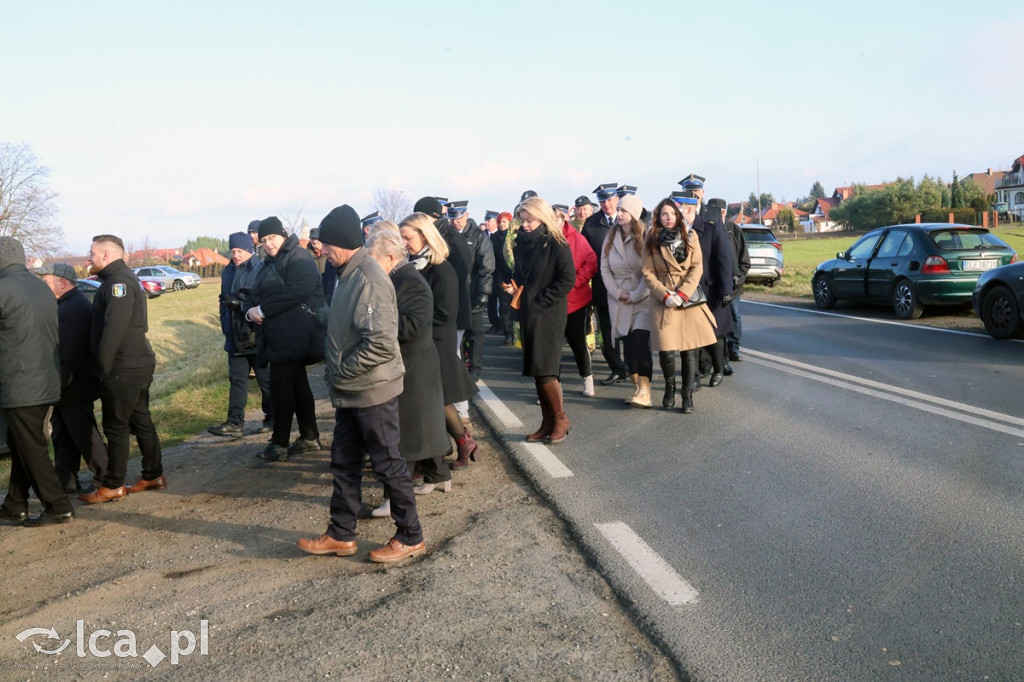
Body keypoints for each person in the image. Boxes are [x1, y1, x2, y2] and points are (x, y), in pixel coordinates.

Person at [296, 204, 425, 564]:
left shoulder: (368, 277)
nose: (320, 250)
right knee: (344, 460)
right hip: (353, 390)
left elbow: (381, 343)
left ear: (342, 242)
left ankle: (411, 535)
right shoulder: (347, 274)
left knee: (388, 464)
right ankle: (341, 533)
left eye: (325, 243)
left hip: (371, 390)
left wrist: (341, 371)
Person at [79, 234, 165, 504]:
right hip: (133, 363)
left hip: (123, 366)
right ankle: (153, 475)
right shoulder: (121, 280)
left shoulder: (118, 284)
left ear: (106, 255)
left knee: (116, 425)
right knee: (140, 419)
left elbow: (113, 331)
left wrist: (102, 369)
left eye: (92, 253)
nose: (88, 258)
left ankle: (113, 484)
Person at [366, 228, 451, 501]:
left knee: (410, 428)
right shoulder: (397, 277)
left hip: (415, 362)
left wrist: (377, 322)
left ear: (390, 257)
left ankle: (396, 498)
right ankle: (439, 475)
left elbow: (414, 325)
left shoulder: (409, 281)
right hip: (409, 361)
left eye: (373, 258)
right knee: (424, 424)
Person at [0, 237, 75, 526]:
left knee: (31, 447)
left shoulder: (3, 288)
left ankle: (58, 506)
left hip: (19, 382)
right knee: (21, 443)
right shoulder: (40, 288)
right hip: (44, 379)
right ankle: (15, 504)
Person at [399, 213, 481, 469]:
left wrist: (415, 321)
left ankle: (445, 451)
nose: (404, 243)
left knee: (436, 398)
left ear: (424, 235)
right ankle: (460, 443)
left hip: (437, 341)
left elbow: (446, 311)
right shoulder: (413, 266)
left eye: (407, 237)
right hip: (423, 341)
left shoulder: (442, 269)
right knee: (437, 399)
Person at [245, 217, 326, 462]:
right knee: (297, 384)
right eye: (264, 239)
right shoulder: (268, 263)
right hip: (280, 335)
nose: (268, 244)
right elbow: (255, 292)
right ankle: (310, 437)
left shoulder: (299, 258)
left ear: (283, 235)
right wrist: (249, 310)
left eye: (272, 238)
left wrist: (263, 310)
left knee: (281, 388)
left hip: (298, 333)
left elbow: (297, 290)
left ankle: (279, 444)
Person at [501, 197, 575, 444]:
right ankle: (548, 422)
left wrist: (540, 300)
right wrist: (517, 291)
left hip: (549, 312)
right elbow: (522, 276)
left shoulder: (557, 244)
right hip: (529, 311)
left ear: (542, 218)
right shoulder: (522, 243)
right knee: (537, 370)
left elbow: (566, 279)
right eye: (523, 220)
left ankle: (560, 420)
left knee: (546, 370)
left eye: (530, 219)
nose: (526, 225)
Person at [37, 263, 108, 493]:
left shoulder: (74, 308)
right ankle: (66, 480)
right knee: (63, 433)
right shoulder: (66, 305)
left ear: (63, 282)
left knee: (83, 433)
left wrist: (58, 386)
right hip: (67, 385)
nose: (43, 286)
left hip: (74, 384)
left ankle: (105, 477)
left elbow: (69, 353)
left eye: (46, 282)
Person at [642, 199, 717, 413]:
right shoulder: (652, 239)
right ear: (658, 217)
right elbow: (647, 272)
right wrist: (665, 295)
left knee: (688, 350)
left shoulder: (690, 236)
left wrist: (683, 293)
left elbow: (696, 267)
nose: (669, 218)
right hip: (663, 299)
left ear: (678, 215)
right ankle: (669, 388)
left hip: (687, 298)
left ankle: (687, 395)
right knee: (666, 350)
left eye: (672, 214)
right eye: (664, 214)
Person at [208, 231, 274, 438]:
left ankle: (274, 417)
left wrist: (242, 305)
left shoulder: (260, 268)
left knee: (265, 379)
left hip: (256, 333)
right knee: (237, 379)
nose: (236, 255)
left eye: (240, 251)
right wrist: (224, 321)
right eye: (233, 250)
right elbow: (223, 298)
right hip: (235, 335)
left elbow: (265, 298)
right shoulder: (228, 271)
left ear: (249, 250)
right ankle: (235, 422)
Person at [600, 194, 652, 407]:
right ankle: (636, 382)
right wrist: (617, 292)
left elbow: (650, 269)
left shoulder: (646, 235)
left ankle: (645, 389)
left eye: (624, 211)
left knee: (640, 340)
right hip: (619, 297)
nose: (619, 214)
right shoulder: (611, 237)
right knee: (628, 344)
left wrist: (637, 294)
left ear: (634, 214)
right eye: (618, 210)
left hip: (642, 296)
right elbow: (604, 268)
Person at [683, 191, 734, 387]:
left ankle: (719, 368)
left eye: (687, 211)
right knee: (692, 336)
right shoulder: (676, 232)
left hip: (711, 290)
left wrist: (726, 290)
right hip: (687, 292)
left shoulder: (711, 228)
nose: (684, 216)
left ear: (693, 210)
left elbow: (723, 261)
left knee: (715, 333)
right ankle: (694, 376)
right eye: (681, 211)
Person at [582, 183, 629, 385]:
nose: (606, 204)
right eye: (602, 201)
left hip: (628, 284)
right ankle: (617, 368)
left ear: (617, 199)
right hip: (602, 285)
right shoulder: (591, 223)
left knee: (630, 328)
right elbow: (585, 254)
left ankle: (634, 367)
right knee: (608, 330)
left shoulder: (628, 219)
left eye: (610, 200)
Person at [555, 206, 598, 397]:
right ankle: (554, 388)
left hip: (575, 301)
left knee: (578, 343)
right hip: (552, 302)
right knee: (553, 348)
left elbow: (591, 262)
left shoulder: (576, 238)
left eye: (557, 219)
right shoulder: (544, 240)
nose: (554, 223)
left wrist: (575, 282)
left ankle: (587, 378)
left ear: (563, 219)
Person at [450, 200, 495, 378]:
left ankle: (475, 368)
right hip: (454, 293)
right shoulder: (446, 236)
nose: (455, 222)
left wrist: (484, 293)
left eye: (459, 218)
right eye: (452, 218)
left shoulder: (478, 237)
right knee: (456, 333)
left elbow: (486, 267)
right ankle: (459, 368)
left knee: (475, 333)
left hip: (473, 291)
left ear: (466, 215)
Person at [708, 198, 751, 365]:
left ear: (723, 212)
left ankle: (734, 348)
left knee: (734, 316)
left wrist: (738, 281)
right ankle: (715, 354)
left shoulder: (734, 230)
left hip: (733, 287)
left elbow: (744, 260)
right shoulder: (707, 230)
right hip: (713, 286)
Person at [491, 211, 516, 345]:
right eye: (500, 222)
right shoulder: (494, 237)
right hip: (501, 275)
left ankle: (516, 333)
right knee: (504, 306)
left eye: (504, 222)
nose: (501, 224)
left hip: (515, 275)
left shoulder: (514, 236)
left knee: (516, 305)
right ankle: (508, 334)